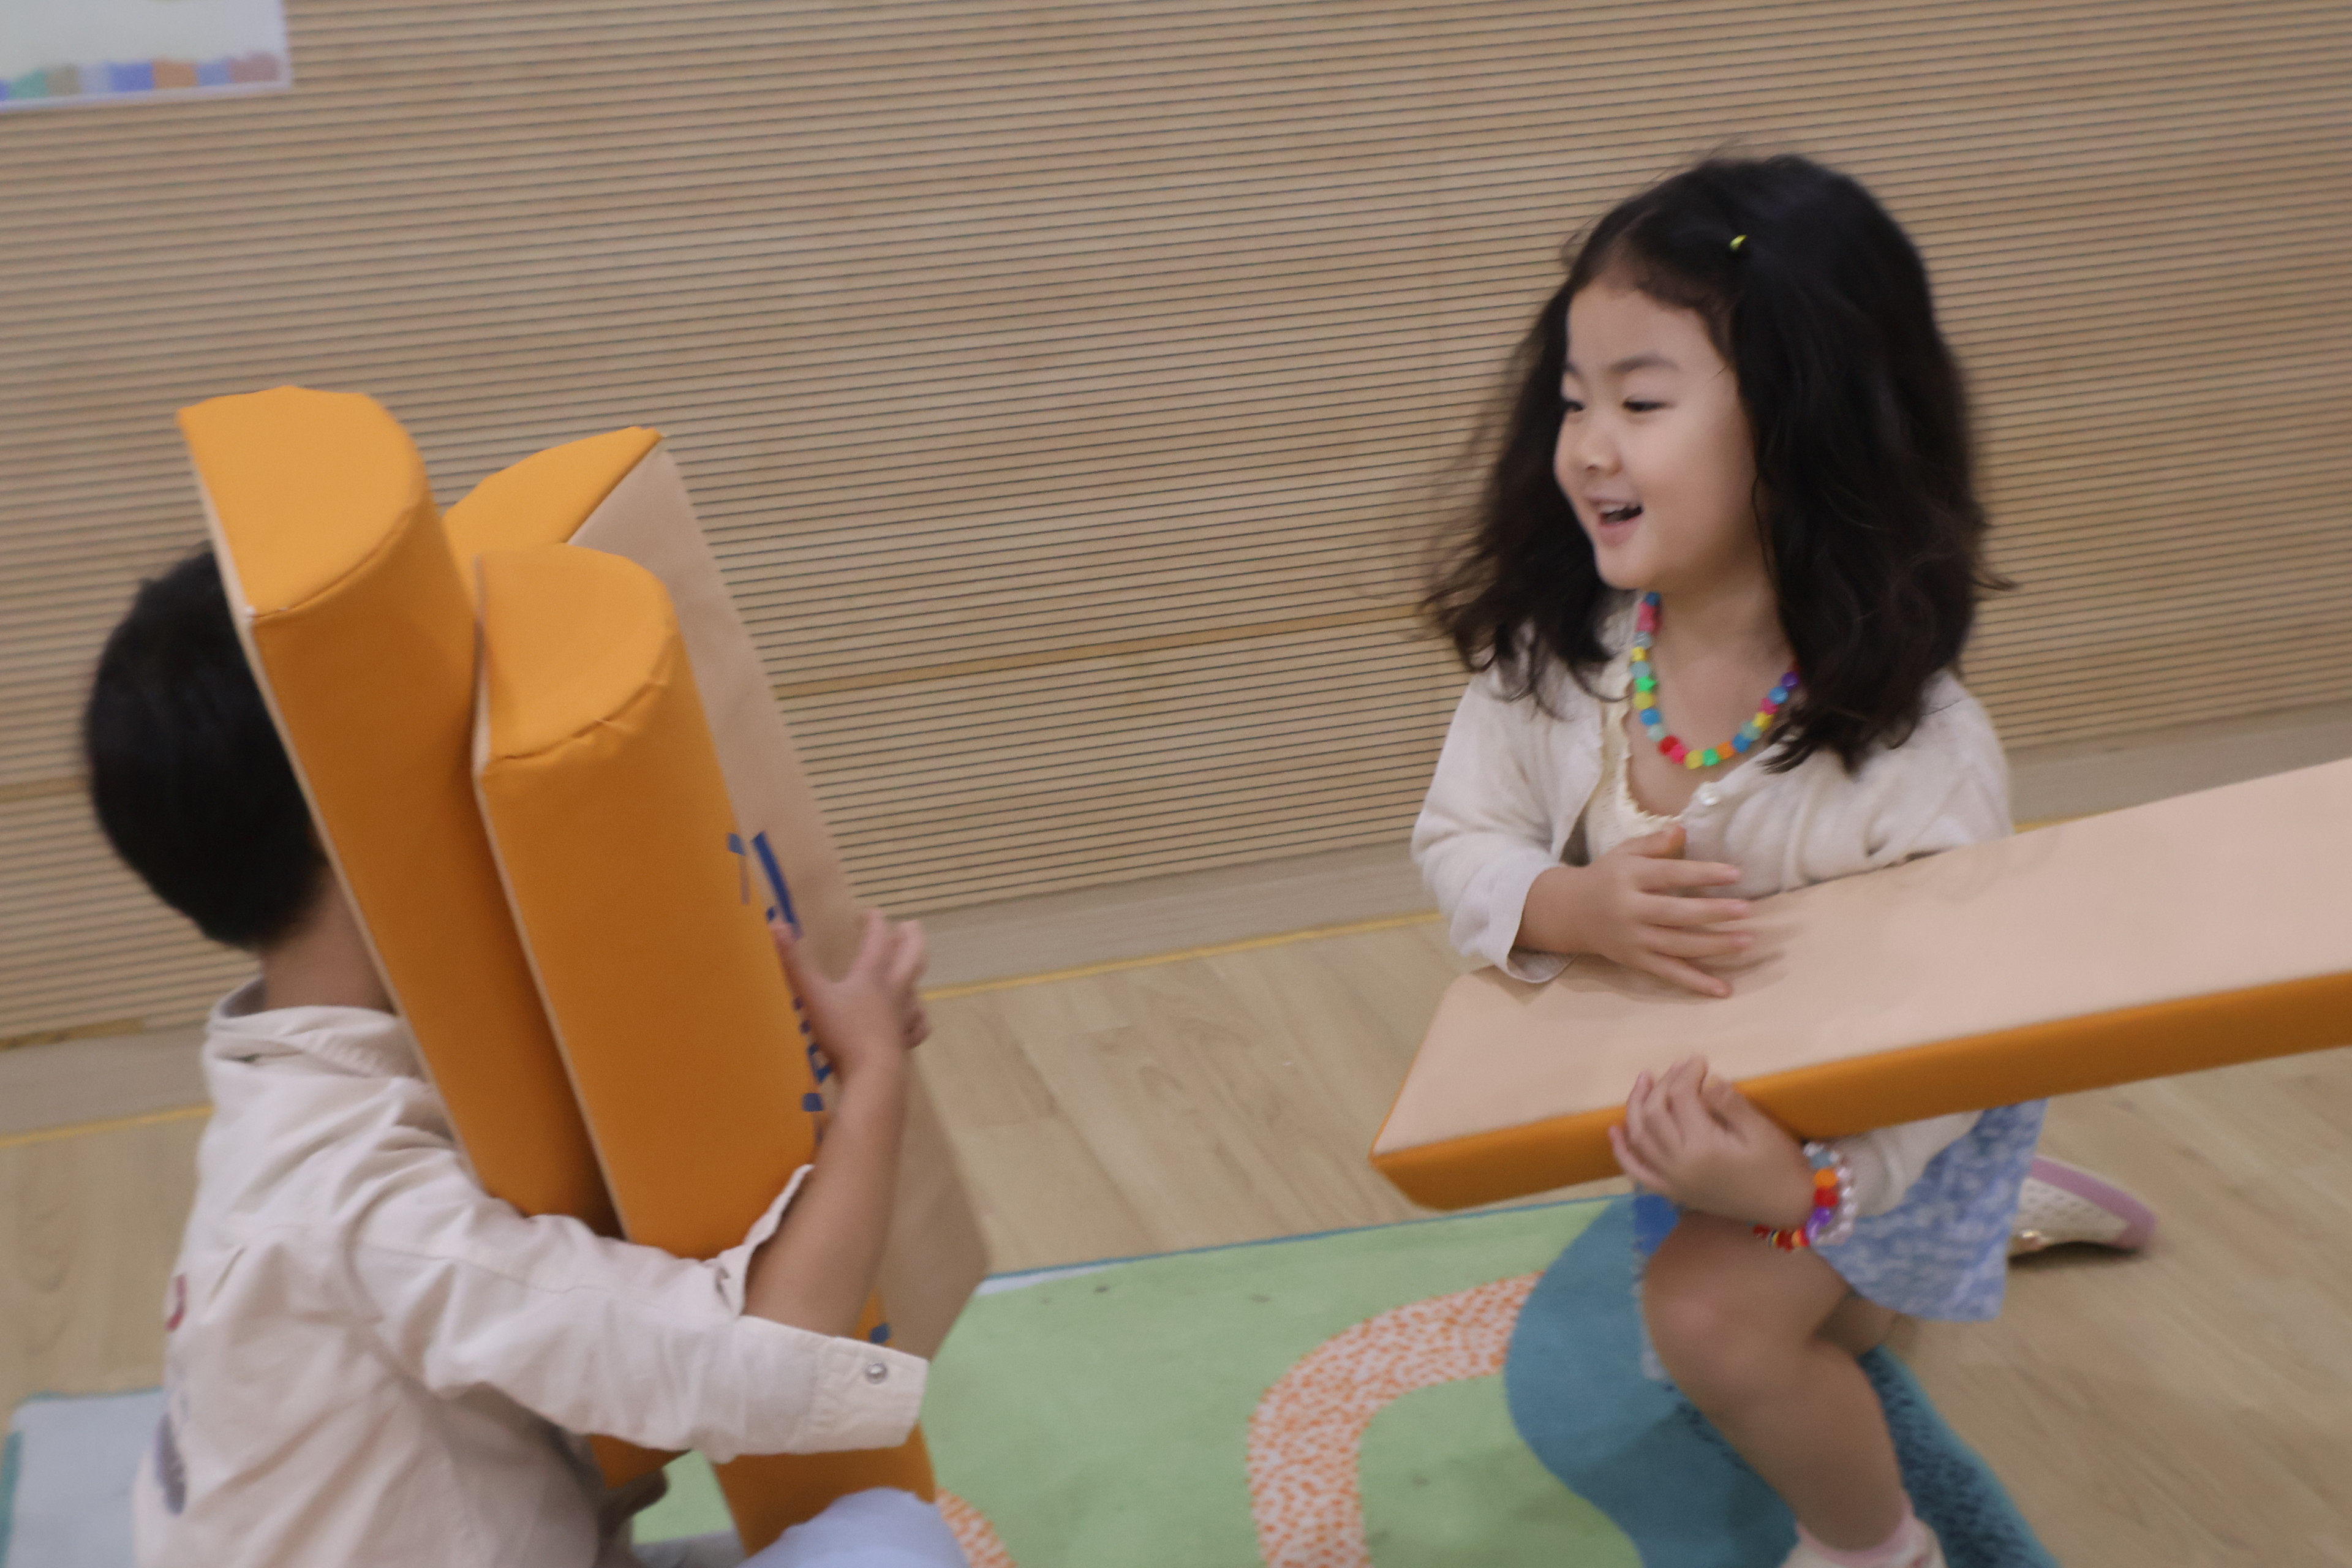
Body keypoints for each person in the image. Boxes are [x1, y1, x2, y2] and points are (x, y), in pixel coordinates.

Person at [1413, 154, 2138, 1568]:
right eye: (1573, 399)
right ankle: (1986, 1222)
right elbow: (1459, 836)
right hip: (1717, 1096)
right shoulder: (1558, 661)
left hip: (1883, 1130)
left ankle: (1878, 1545)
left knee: (1712, 1321)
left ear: (1805, 429)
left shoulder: (1917, 754)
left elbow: (1954, 1039)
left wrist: (1815, 1191)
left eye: (1641, 403)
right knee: (1808, 1312)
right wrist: (1565, 901)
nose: (1589, 445)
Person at [83, 549, 968, 1568]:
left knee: (880, 1529)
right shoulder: (353, 1205)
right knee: (898, 1546)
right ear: (353, 806)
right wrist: (873, 1079)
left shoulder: (337, 1068)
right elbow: (770, 1357)